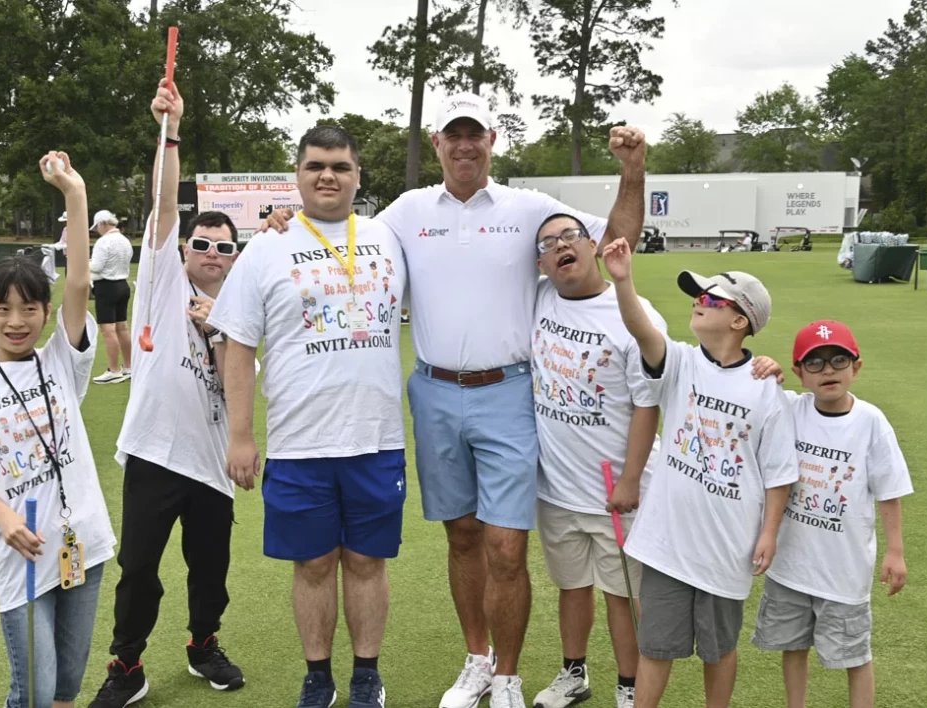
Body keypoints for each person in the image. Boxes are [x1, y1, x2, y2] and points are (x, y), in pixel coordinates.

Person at [262, 93, 646, 708]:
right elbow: (338, 225)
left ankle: (510, 676)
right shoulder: (407, 211)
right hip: (435, 391)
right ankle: (477, 661)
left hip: (510, 391)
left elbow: (619, 240)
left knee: (505, 543)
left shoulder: (529, 208)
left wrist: (632, 172)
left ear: (491, 140)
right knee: (462, 535)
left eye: (475, 134)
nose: (465, 145)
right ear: (437, 144)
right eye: (452, 135)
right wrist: (288, 218)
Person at [209, 123, 408, 708]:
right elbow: (238, 347)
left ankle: (366, 675)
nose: (328, 176)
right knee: (314, 564)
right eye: (316, 165)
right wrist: (241, 436)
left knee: (368, 561)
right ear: (296, 173)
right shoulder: (266, 247)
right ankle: (318, 676)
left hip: (376, 438)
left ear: (357, 176)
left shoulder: (386, 236)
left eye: (341, 167)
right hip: (300, 443)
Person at [0, 150, 115, 708]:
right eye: (2, 308)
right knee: (33, 689)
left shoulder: (61, 360)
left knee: (65, 689)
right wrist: (5, 516)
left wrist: (74, 194)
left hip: (83, 541)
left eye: (29, 308)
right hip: (23, 553)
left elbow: (81, 280)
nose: (16, 321)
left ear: (44, 311)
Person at [86, 80, 246, 708]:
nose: (210, 252)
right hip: (155, 452)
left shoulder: (240, 311)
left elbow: (243, 390)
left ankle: (203, 644)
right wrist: (170, 129)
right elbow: (163, 200)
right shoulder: (159, 284)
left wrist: (221, 330)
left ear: (235, 258)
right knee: (139, 570)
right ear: (183, 251)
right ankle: (127, 665)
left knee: (210, 569)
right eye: (200, 244)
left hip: (212, 463)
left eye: (222, 247)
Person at [600, 238, 798, 708]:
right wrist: (623, 280)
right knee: (654, 648)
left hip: (727, 549)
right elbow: (642, 330)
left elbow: (778, 474)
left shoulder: (767, 391)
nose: (698, 302)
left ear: (739, 320)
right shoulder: (682, 363)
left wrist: (769, 533)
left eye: (710, 298)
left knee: (719, 650)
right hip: (668, 544)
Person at [528, 214, 664, 708]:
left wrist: (630, 479)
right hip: (557, 486)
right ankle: (573, 672)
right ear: (541, 263)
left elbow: (648, 405)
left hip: (616, 490)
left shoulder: (630, 312)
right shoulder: (540, 298)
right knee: (572, 585)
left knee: (622, 594)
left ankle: (629, 687)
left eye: (570, 236)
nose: (561, 246)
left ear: (593, 245)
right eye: (548, 243)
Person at [750, 320, 912, 708]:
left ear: (856, 367)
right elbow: (757, 387)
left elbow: (889, 491)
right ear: (799, 374)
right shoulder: (791, 408)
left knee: (855, 655)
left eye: (839, 360)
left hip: (844, 569)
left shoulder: (871, 421)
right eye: (815, 363)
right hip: (791, 563)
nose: (828, 371)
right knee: (793, 646)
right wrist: (767, 368)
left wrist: (895, 551)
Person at [89, 210, 134, 384]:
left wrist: (84, 263)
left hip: (106, 286)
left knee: (108, 330)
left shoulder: (104, 242)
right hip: (123, 285)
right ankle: (128, 367)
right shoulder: (125, 240)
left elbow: (98, 266)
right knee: (122, 327)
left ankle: (114, 370)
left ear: (102, 223)